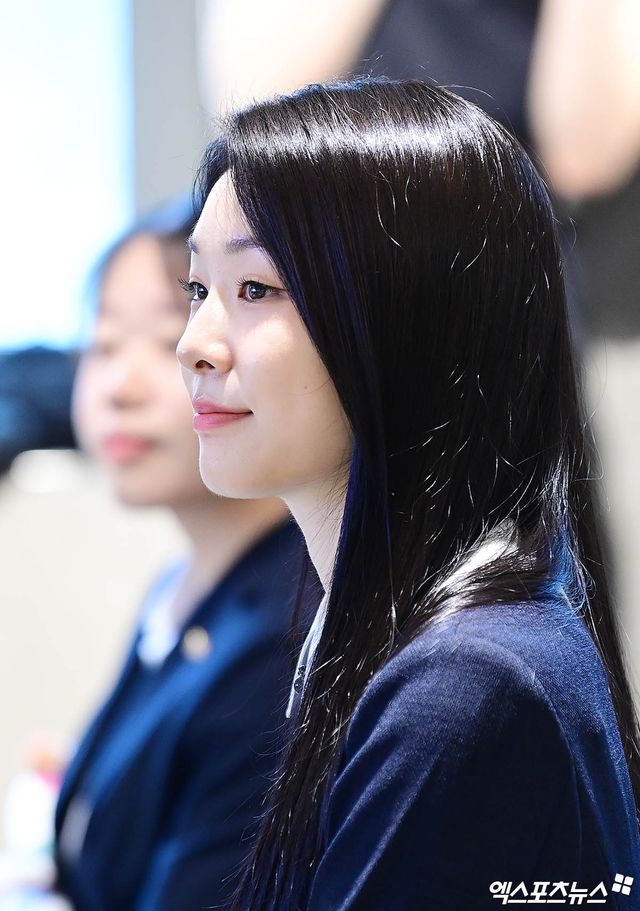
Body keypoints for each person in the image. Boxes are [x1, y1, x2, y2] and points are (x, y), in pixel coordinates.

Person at [177, 77, 640, 909]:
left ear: (410, 316)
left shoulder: (469, 683)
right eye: (197, 290)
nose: (194, 344)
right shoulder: (409, 635)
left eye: (255, 289)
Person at [53, 199, 306, 910]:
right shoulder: (179, 588)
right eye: (104, 345)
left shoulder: (287, 634)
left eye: (168, 336)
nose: (120, 388)